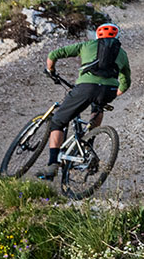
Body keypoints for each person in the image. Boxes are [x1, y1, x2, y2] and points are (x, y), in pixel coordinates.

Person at [38, 22, 130, 177]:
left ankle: (52, 163)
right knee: (98, 106)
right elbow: (126, 82)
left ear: (97, 35)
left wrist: (51, 70)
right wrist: (115, 93)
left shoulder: (86, 45)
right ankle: (89, 140)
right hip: (109, 90)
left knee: (58, 121)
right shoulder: (121, 53)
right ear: (117, 37)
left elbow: (53, 55)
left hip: (86, 87)